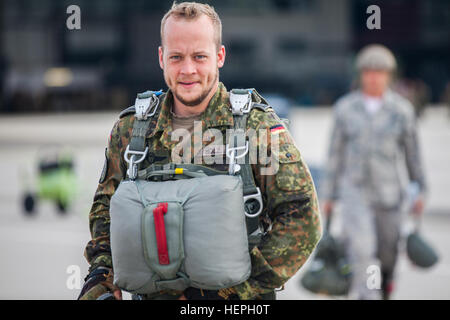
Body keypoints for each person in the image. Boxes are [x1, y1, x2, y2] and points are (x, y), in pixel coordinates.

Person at [78, 2, 321, 300]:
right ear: (161, 58)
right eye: (176, 57)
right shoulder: (132, 131)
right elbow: (106, 211)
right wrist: (101, 277)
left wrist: (232, 292)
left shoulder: (255, 128)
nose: (188, 69)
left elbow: (302, 217)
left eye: (199, 57)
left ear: (219, 56)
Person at [321, 44, 427, 300]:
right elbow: (335, 155)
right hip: (355, 192)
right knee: (363, 251)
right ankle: (368, 295)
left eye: (379, 72)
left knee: (387, 254)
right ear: (361, 74)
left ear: (389, 75)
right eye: (368, 71)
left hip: (390, 194)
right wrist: (328, 195)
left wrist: (420, 189)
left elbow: (413, 155)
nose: (374, 77)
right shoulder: (345, 109)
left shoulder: (401, 110)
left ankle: (385, 285)